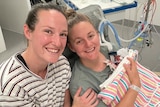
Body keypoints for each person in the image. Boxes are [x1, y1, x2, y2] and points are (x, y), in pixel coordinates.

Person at [0, 3, 99, 107]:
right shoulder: (11, 88)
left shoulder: (62, 64)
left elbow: (66, 104)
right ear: (28, 32)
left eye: (63, 34)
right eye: (48, 31)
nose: (57, 43)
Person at [66, 9, 141, 107]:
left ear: (97, 34)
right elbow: (135, 80)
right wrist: (135, 84)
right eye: (79, 41)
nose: (88, 44)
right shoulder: (80, 85)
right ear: (71, 47)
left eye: (90, 36)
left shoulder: (112, 49)